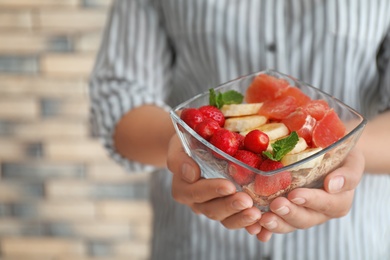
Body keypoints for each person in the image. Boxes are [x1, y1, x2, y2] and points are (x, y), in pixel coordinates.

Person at [89, 1, 390, 259]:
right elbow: (118, 96)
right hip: (197, 242)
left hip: (347, 245)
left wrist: (337, 153)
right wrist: (188, 145)